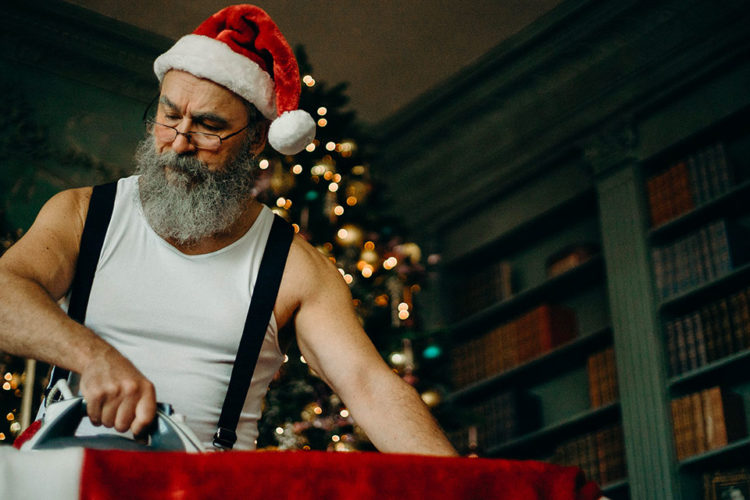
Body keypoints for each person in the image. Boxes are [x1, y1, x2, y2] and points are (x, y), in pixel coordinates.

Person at [0, 4, 457, 455]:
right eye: (169, 115)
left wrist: (463, 485)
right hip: (66, 472)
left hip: (204, 484)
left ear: (256, 139)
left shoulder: (291, 267)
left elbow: (369, 385)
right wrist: (94, 357)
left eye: (208, 127)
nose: (179, 142)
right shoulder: (84, 214)